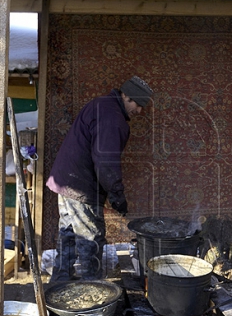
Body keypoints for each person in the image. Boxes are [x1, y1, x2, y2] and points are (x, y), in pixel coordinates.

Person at [46, 76, 154, 282]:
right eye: (138, 104)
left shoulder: (100, 105)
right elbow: (106, 162)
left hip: (65, 181)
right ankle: (93, 292)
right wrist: (117, 196)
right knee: (91, 241)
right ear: (126, 96)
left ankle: (58, 283)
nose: (139, 111)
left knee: (67, 236)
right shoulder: (113, 118)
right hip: (80, 185)